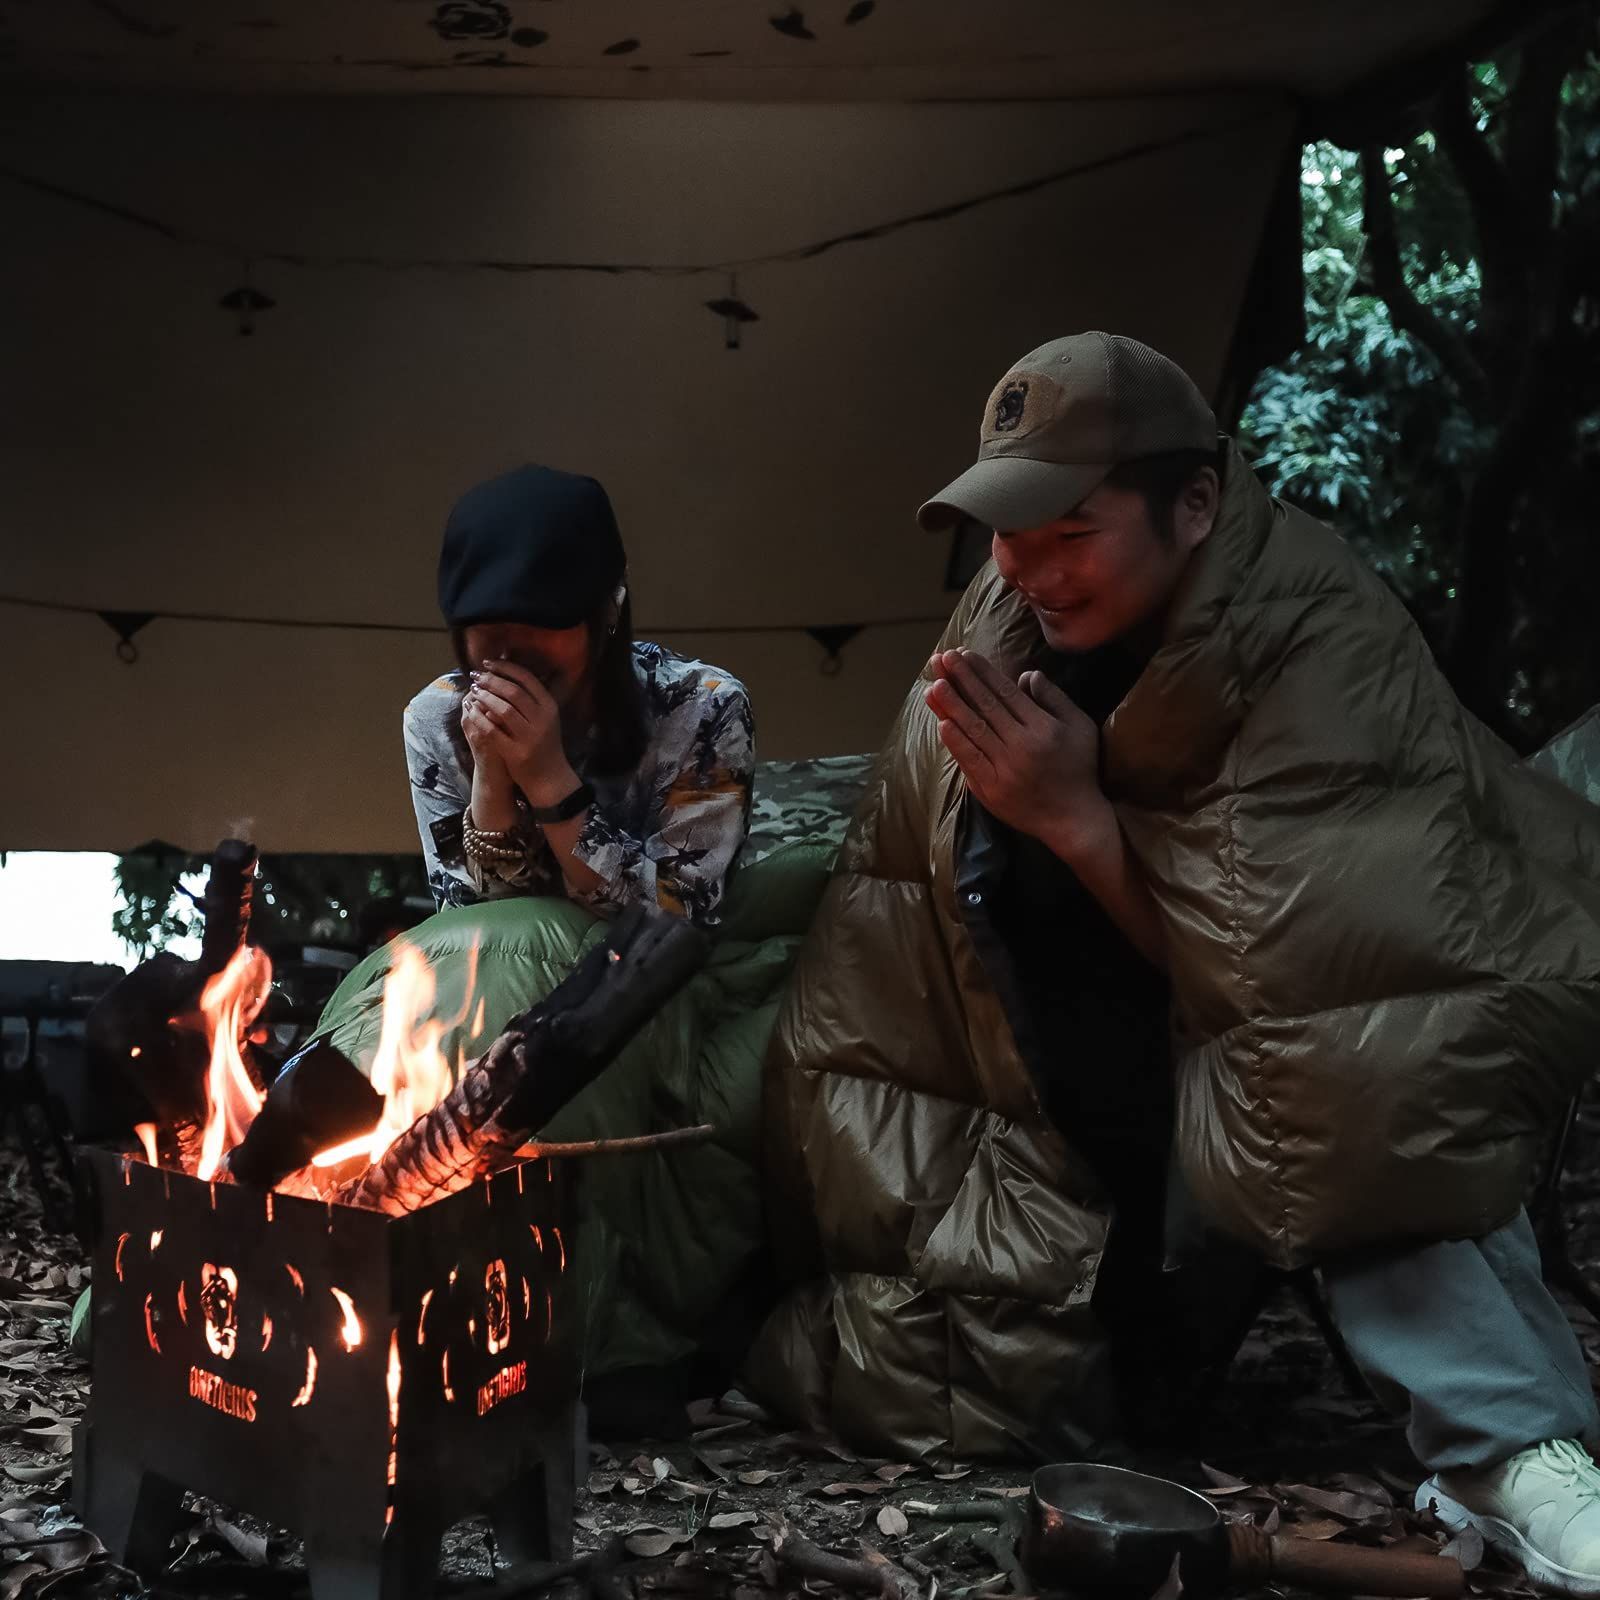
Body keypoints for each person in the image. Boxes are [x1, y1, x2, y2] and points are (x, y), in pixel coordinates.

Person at [756, 333, 1600, 1593]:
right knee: (973, 1373)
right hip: (1092, 1143)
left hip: (1301, 1089)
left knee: (1344, 1087)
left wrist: (1081, 822)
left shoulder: (1310, 632)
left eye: (1070, 529)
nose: (1030, 567)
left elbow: (1315, 996)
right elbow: (904, 925)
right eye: (1007, 528)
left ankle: (1506, 1446)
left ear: (1193, 503)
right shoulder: (1010, 620)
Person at [403, 464, 754, 923]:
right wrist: (492, 780)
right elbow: (467, 935)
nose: (513, 653)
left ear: (610, 605)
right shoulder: (434, 719)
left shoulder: (704, 708)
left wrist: (550, 783)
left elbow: (683, 919)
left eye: (543, 622)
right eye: (487, 627)